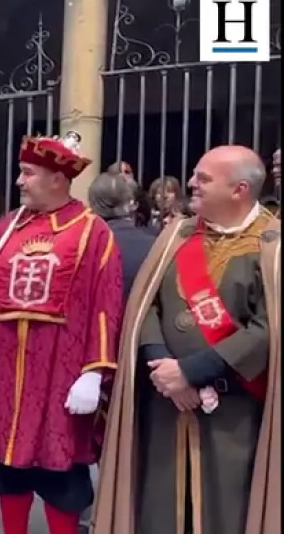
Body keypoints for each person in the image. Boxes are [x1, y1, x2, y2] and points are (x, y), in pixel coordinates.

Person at [93, 145, 281, 534]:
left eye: (203, 179)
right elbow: (146, 306)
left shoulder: (273, 243)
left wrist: (192, 372)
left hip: (235, 412)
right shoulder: (175, 235)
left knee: (225, 511)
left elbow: (268, 329)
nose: (191, 183)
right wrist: (165, 368)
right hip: (165, 402)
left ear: (239, 189)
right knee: (159, 510)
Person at [0, 134, 124, 534]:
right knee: (9, 472)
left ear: (57, 179)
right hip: (6, 376)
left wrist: (95, 371)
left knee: (59, 478)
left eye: (28, 173)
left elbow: (106, 302)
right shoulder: (9, 226)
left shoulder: (91, 231)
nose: (19, 181)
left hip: (59, 378)